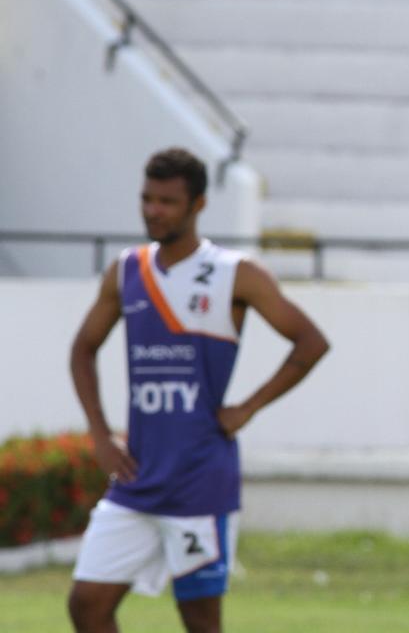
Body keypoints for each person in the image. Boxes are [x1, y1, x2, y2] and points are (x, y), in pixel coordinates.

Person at [66, 147, 330, 633]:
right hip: (136, 478)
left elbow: (311, 342)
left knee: (200, 623)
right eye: (147, 199)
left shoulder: (235, 273)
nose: (153, 211)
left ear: (199, 204)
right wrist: (100, 435)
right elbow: (83, 348)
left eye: (167, 201)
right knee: (86, 605)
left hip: (199, 482)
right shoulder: (126, 271)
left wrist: (247, 407)